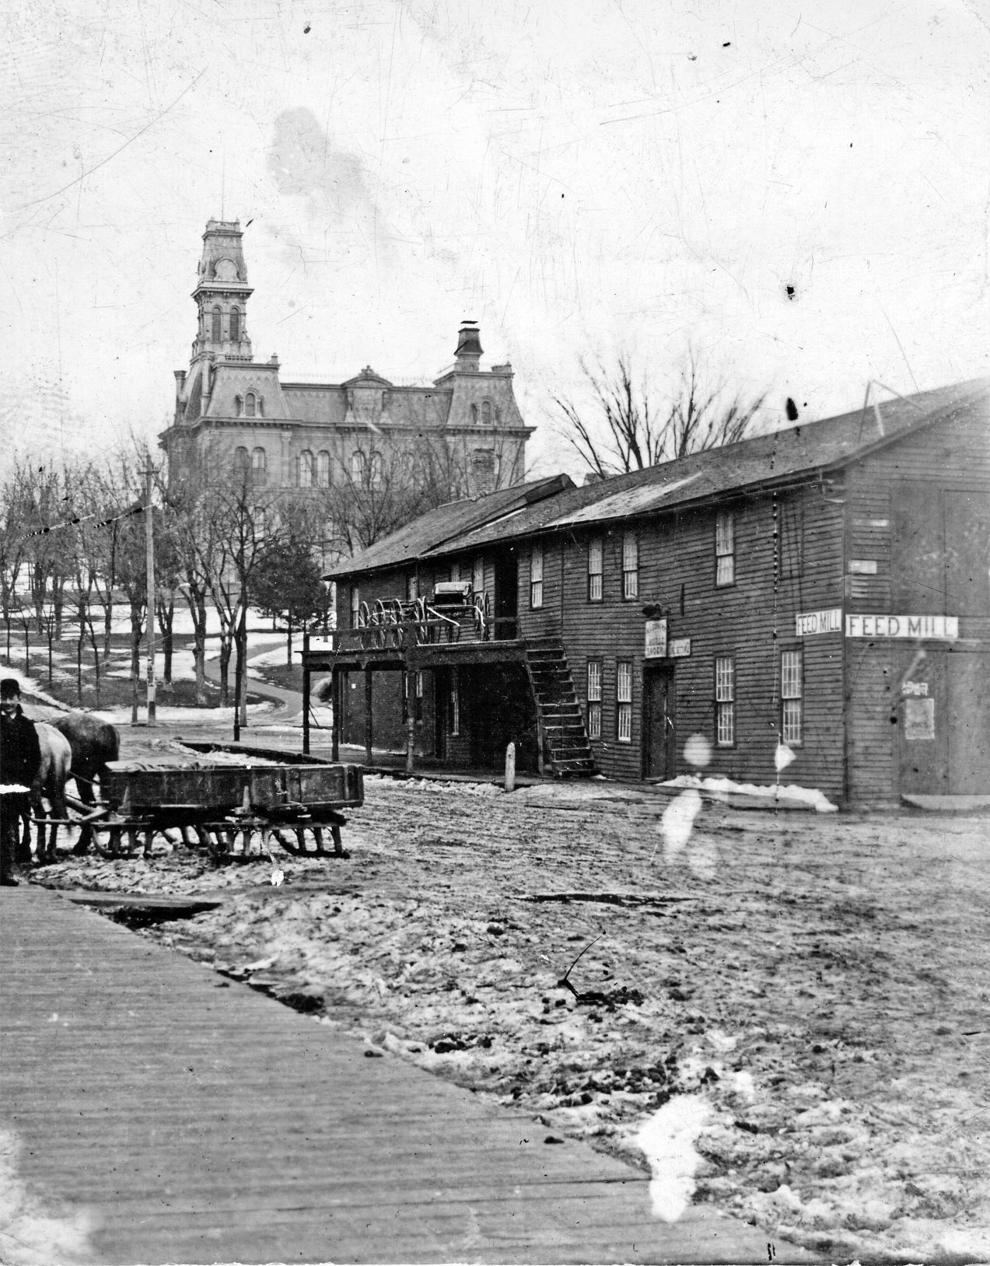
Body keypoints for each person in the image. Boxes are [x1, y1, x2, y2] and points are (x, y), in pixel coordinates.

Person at [0, 678, 41, 886]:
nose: (7, 702)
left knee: (8, 828)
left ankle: (5, 871)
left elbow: (35, 757)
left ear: (18, 698)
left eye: (11, 698)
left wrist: (24, 781)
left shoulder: (26, 726)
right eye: (3, 698)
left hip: (15, 786)